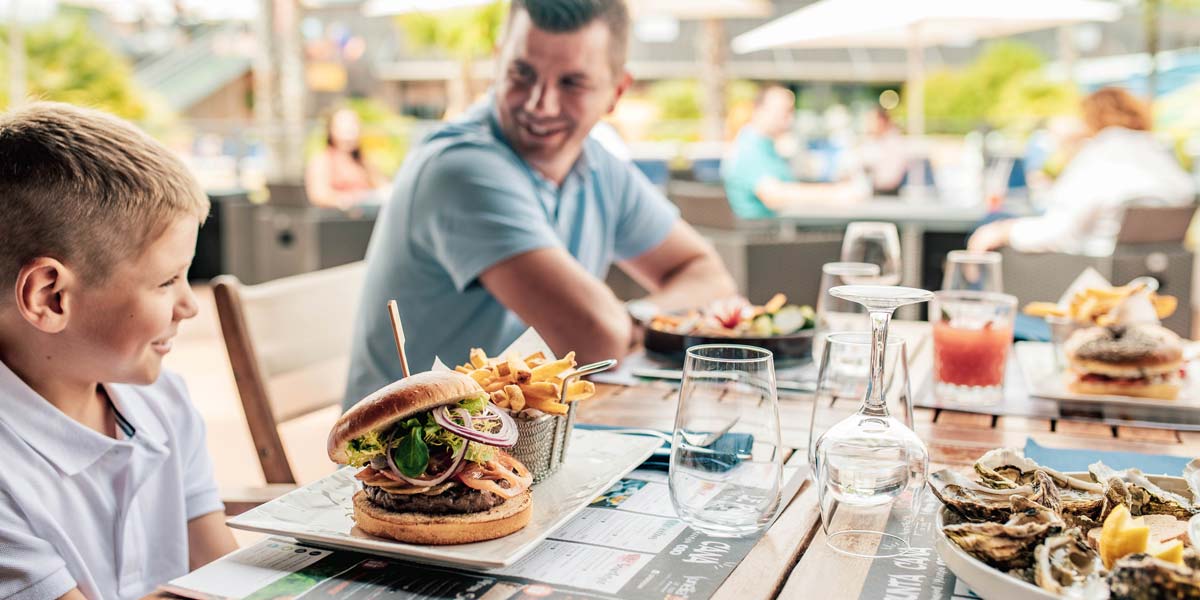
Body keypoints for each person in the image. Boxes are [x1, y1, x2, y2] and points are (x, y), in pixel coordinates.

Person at [343, 0, 737, 406]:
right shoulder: (461, 169)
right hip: (408, 455)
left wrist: (631, 321)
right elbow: (596, 340)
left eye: (572, 83)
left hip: (527, 441)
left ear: (616, 92)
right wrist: (630, 325)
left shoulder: (597, 164)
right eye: (522, 73)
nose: (539, 104)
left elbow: (710, 280)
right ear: (498, 62)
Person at [0, 102, 237, 599]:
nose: (190, 305)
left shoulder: (165, 404)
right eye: (167, 281)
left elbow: (223, 569)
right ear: (50, 296)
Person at [969, 88, 1195, 254]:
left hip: (1086, 277)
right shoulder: (1159, 153)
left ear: (1091, 118)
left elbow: (1057, 234)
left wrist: (1003, 231)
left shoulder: (1102, 154)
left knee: (993, 221)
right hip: (1152, 277)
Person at [722, 85, 867, 220]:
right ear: (760, 110)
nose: (789, 119)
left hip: (778, 231)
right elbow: (774, 195)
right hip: (764, 237)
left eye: (791, 111)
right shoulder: (749, 147)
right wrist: (834, 193)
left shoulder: (765, 146)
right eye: (784, 112)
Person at [304, 106, 387, 209]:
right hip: (337, 220)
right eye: (344, 128)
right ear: (332, 130)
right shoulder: (322, 160)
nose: (350, 133)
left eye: (353, 127)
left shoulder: (362, 160)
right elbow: (319, 195)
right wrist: (345, 199)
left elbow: (382, 186)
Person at [859, 107, 908, 195]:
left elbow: (889, 179)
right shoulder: (873, 140)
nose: (868, 125)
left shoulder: (893, 142)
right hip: (874, 191)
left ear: (881, 121)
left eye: (871, 121)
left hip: (886, 194)